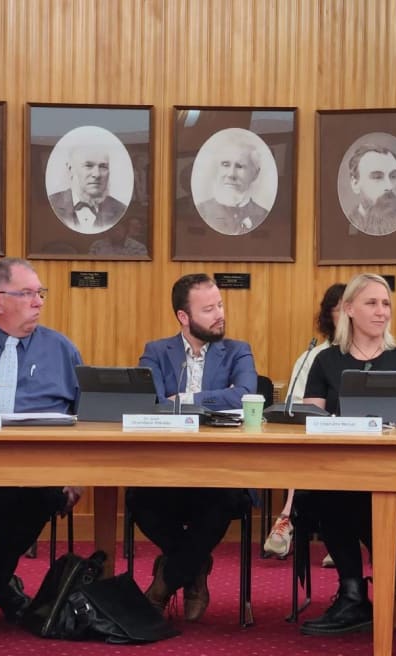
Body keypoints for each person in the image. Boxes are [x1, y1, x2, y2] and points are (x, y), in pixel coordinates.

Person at [295, 273, 396, 636]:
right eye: (372, 303)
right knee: (329, 491)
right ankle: (373, 580)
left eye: (386, 304)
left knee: (344, 497)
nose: (381, 311)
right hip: (342, 467)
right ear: (349, 309)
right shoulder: (326, 362)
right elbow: (313, 421)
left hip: (395, 470)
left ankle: (364, 587)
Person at [128, 273, 258, 622]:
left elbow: (244, 394)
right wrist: (214, 398)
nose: (219, 314)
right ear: (183, 317)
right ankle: (195, 566)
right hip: (166, 466)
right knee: (138, 500)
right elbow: (153, 401)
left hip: (221, 468)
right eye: (208, 309)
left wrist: (186, 399)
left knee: (224, 501)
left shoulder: (237, 351)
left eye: (220, 305)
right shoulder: (156, 351)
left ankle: (162, 586)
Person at [0, 258, 83, 621]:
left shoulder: (62, 350)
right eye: (27, 293)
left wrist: (78, 474)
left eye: (40, 293)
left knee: (37, 494)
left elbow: (90, 419)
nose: (39, 301)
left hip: (37, 476)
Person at [263, 282, 346, 560]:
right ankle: (288, 517)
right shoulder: (312, 357)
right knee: (303, 451)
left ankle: (292, 520)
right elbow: (295, 412)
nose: (346, 316)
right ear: (328, 316)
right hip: (315, 443)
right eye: (339, 310)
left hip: (356, 444)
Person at [48, 144, 128, 234]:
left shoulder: (120, 209)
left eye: (103, 166)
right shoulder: (51, 205)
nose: (97, 174)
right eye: (88, 165)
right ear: (70, 169)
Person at [196, 138, 270, 235]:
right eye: (225, 165)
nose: (231, 174)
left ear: (255, 174)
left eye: (239, 166)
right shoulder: (201, 211)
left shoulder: (264, 216)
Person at [344, 144, 396, 236]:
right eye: (377, 177)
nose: (389, 186)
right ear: (355, 184)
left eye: (393, 176)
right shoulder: (348, 227)